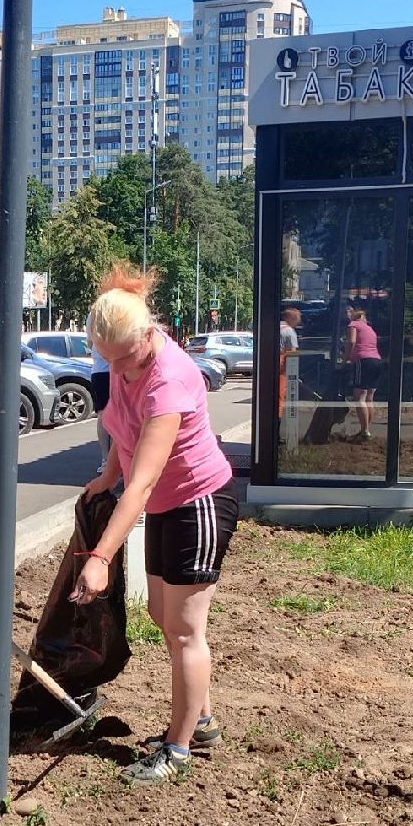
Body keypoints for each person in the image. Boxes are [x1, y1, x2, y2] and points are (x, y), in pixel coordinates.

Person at [73, 266, 238, 785]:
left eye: (124, 357)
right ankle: (202, 719)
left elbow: (142, 484)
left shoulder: (168, 379)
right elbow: (127, 439)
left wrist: (100, 558)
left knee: (187, 631)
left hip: (200, 502)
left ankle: (180, 748)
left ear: (149, 334)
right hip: (169, 504)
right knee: (165, 618)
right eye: (108, 358)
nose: (118, 369)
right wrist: (105, 476)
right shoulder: (127, 367)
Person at [345, 306, 381, 440]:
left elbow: (352, 341)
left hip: (362, 360)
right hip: (376, 360)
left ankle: (364, 430)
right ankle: (366, 429)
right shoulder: (370, 329)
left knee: (359, 396)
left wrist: (345, 360)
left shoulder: (353, 324)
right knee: (369, 397)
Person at [91, 344, 112, 474]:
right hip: (110, 373)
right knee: (114, 416)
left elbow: (89, 343)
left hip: (99, 372)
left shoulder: (91, 324)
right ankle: (108, 461)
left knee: (103, 415)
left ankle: (106, 460)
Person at [279, 307, 301, 419]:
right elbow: (292, 353)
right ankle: (278, 417)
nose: (299, 321)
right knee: (280, 394)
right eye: (297, 318)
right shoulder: (289, 331)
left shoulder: (276, 327)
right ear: (290, 318)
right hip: (282, 367)